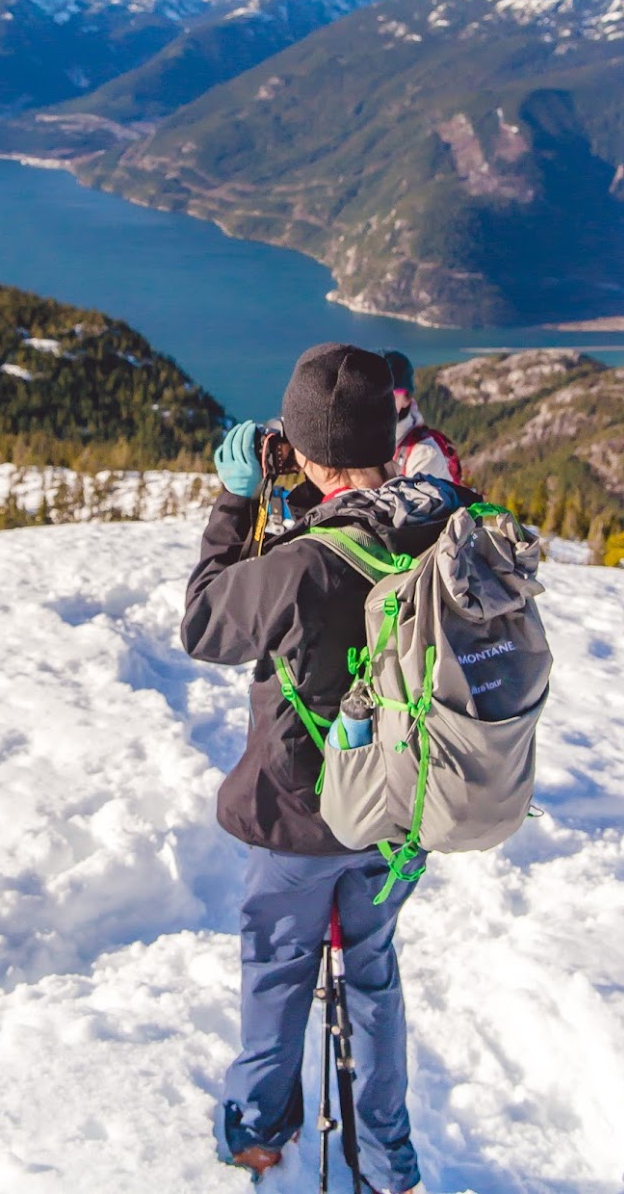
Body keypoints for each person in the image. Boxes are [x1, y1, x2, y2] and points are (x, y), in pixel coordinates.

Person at [181, 343, 473, 1192]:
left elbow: (205, 623)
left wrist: (240, 499)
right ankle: (388, 1156)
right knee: (373, 971)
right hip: (404, 809)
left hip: (301, 818)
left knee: (279, 964)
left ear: (304, 451)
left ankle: (261, 1131)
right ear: (389, 440)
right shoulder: (442, 525)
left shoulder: (301, 562)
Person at [383, 350, 461, 484]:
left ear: (407, 398)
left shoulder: (426, 455)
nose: (378, 400)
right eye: (368, 392)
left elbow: (413, 505)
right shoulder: (360, 441)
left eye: (388, 393)